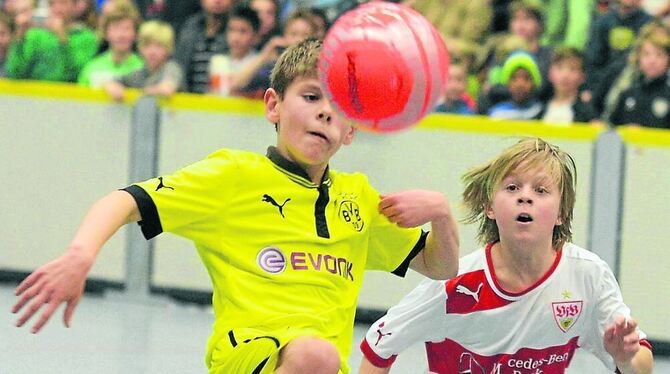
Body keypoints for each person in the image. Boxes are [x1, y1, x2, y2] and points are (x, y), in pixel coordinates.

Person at [11, 38, 460, 374]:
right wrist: (80, 255)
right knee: (314, 355)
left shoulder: (359, 199)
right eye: (310, 97)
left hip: (321, 367)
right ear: (273, 106)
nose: (325, 113)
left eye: (339, 107)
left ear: (351, 132)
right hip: (249, 354)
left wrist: (440, 212)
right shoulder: (233, 176)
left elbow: (440, 267)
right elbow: (126, 200)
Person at [358, 137, 654, 374]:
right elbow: (379, 345)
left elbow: (642, 364)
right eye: (512, 187)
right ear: (489, 207)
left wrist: (626, 359)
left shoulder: (588, 275)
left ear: (562, 214)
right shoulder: (455, 286)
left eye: (541, 190)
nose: (525, 196)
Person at [5, 0, 97, 82]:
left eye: (63, 3)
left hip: (69, 96)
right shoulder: (35, 35)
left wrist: (63, 39)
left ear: (75, 6)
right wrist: (20, 39)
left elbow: (78, 74)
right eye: (52, 3)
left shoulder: (87, 38)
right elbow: (14, 73)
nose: (57, 8)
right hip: (33, 95)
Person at [104, 20, 183, 101]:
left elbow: (167, 89)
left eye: (159, 46)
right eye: (147, 45)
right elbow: (117, 81)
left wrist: (142, 93)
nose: (152, 52)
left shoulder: (172, 68)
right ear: (140, 48)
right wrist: (112, 85)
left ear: (168, 48)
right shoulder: (140, 73)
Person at [609, 28, 670, 128]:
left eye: (659, 55)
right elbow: (612, 128)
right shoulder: (628, 94)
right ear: (638, 58)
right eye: (646, 54)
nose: (652, 61)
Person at [78, 1, 143, 87]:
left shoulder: (143, 68)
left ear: (136, 34)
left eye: (127, 29)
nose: (121, 35)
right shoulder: (92, 68)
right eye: (116, 28)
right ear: (105, 33)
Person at [537, 47, 597, 124]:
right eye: (559, 67)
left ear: (582, 77)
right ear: (550, 73)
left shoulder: (588, 115)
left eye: (573, 69)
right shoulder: (538, 108)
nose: (565, 75)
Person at [487, 51, 543, 119]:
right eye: (514, 78)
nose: (520, 84)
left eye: (526, 78)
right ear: (507, 83)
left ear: (534, 83)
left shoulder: (541, 112)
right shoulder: (497, 114)